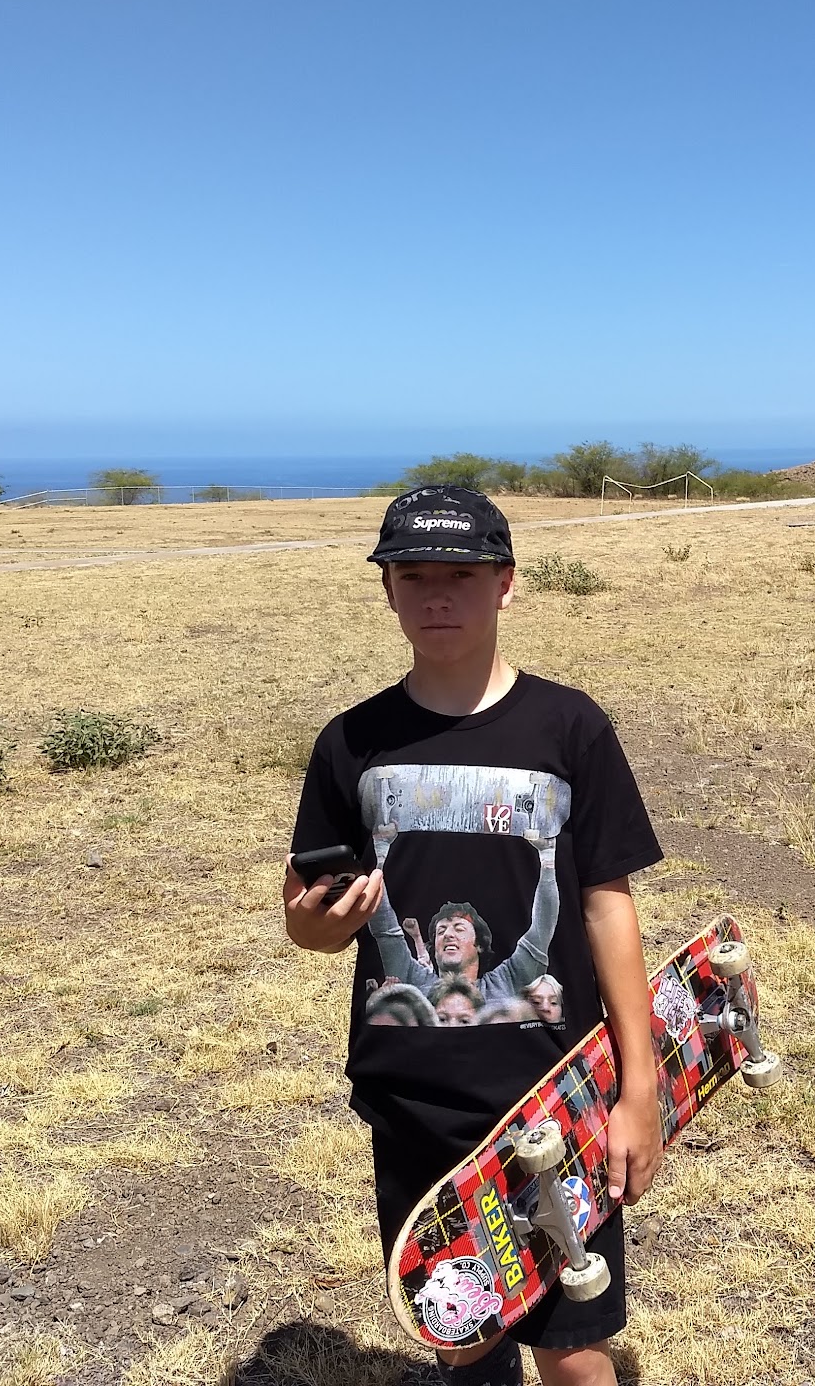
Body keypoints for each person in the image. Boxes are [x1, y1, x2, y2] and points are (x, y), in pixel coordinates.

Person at [285, 485, 666, 1386]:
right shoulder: (353, 742)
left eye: (461, 574)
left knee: (573, 1347)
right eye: (413, 576)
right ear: (387, 593)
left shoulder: (569, 727)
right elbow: (308, 916)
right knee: (468, 1338)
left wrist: (638, 1088)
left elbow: (603, 904)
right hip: (413, 1099)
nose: (437, 596)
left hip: (555, 1098)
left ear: (507, 584)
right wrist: (313, 925)